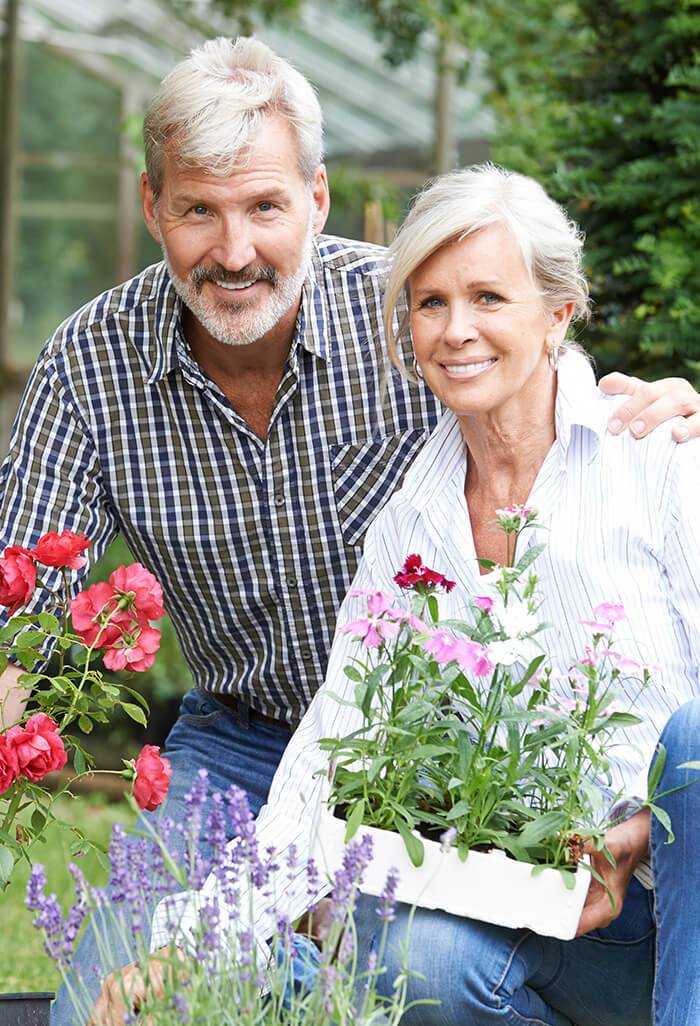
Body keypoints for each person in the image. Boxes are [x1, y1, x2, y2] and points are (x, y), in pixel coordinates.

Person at [0, 36, 696, 1022]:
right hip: (248, 755)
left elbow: (536, 374)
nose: (234, 251)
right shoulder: (95, 367)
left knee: (426, 947)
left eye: (264, 207)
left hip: (452, 780)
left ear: (317, 200)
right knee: (108, 1000)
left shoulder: (419, 318)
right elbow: (15, 608)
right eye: (199, 209)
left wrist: (673, 414)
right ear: (153, 206)